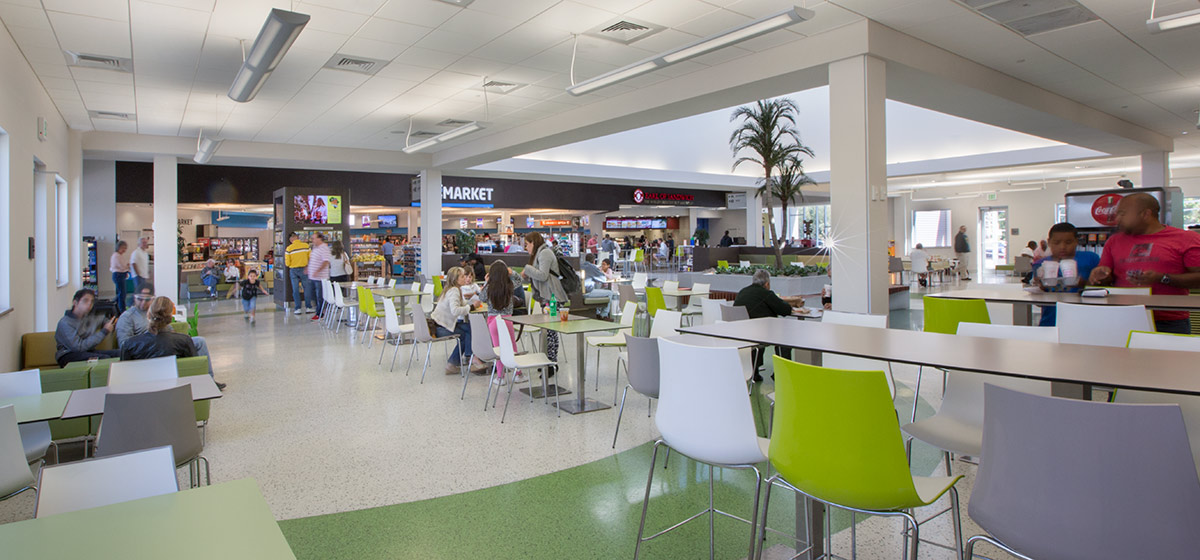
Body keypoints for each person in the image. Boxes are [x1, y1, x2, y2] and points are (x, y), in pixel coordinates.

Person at [1088, 192, 1200, 334]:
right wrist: (1100, 275)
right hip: (1122, 317)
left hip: (1169, 321)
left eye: (1122, 214)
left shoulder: (1186, 238)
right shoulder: (1114, 241)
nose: (1117, 219)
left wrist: (1162, 278)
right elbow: (1107, 278)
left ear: (1146, 214)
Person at [116, 283, 222, 386]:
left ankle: (209, 380)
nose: (143, 302)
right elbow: (124, 344)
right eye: (140, 299)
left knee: (200, 341)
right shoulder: (127, 317)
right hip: (146, 349)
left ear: (153, 300)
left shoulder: (155, 311)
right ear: (134, 298)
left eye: (147, 299)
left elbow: (168, 328)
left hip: (164, 342)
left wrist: (175, 338)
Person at [1031, 222, 1100, 327]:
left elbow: (1103, 290)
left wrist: (1084, 284)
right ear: (1049, 242)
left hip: (1086, 322)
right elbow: (1038, 303)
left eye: (1068, 242)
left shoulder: (1091, 259)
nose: (1062, 247)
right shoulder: (1041, 264)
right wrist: (1040, 289)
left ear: (1076, 241)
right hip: (1051, 321)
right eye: (1057, 242)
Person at [733, 270, 798, 379]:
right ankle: (781, 373)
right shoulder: (766, 294)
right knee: (785, 337)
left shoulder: (742, 292)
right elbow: (785, 310)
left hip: (740, 333)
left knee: (759, 332)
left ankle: (753, 371)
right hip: (759, 335)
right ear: (767, 284)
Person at [521, 232, 568, 362]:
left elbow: (543, 275)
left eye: (527, 244)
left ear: (533, 243)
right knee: (548, 330)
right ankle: (548, 360)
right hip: (546, 297)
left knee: (551, 331)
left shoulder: (545, 253)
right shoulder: (539, 254)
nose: (526, 248)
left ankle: (552, 362)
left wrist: (528, 269)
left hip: (553, 297)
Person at [432, 266, 488, 374]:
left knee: (467, 330)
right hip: (442, 327)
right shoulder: (454, 291)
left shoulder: (452, 289)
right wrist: (471, 307)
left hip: (439, 324)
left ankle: (455, 363)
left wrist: (471, 304)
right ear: (455, 279)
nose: (465, 278)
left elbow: (462, 303)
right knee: (468, 331)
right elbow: (455, 311)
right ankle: (472, 359)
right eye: (462, 276)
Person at [479, 261, 527, 386]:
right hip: (507, 320)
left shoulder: (489, 288)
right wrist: (513, 272)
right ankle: (518, 374)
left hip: (493, 321)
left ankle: (500, 377)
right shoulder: (509, 285)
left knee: (498, 350)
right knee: (512, 348)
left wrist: (486, 281)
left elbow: (481, 297)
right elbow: (520, 280)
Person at [119, 297, 197, 362]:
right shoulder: (184, 341)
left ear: (148, 315)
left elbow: (124, 371)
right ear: (170, 317)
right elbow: (192, 366)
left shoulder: (129, 344)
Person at [55, 289, 120, 366]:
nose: (89, 304)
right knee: (104, 358)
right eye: (85, 301)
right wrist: (104, 331)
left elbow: (102, 320)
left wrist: (111, 322)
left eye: (91, 301)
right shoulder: (65, 323)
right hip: (68, 355)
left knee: (119, 353)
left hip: (87, 352)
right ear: (75, 303)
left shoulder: (87, 317)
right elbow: (78, 347)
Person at [306, 233, 332, 321]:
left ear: (319, 239)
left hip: (320, 278)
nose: (312, 240)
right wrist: (308, 268)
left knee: (320, 296)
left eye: (313, 238)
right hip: (312, 277)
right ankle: (319, 310)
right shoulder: (315, 248)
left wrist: (318, 270)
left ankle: (320, 313)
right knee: (311, 294)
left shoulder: (324, 248)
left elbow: (326, 262)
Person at [581, 253, 616, 318]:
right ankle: (603, 315)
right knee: (610, 293)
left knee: (596, 288)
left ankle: (597, 312)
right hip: (587, 292)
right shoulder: (592, 267)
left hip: (578, 293)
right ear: (594, 261)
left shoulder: (580, 266)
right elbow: (603, 279)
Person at [285, 233, 312, 315]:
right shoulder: (306, 246)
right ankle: (308, 307)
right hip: (305, 268)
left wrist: (292, 265)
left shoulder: (289, 248)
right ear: (297, 238)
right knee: (306, 288)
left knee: (295, 289)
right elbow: (310, 258)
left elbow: (287, 263)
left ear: (291, 240)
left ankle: (298, 308)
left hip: (293, 270)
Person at [110, 240, 130, 314]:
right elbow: (122, 266)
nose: (124, 250)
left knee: (121, 293)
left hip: (120, 275)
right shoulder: (116, 256)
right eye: (123, 248)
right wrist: (127, 267)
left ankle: (117, 307)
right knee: (122, 294)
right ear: (119, 247)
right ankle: (122, 310)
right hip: (119, 275)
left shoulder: (119, 256)